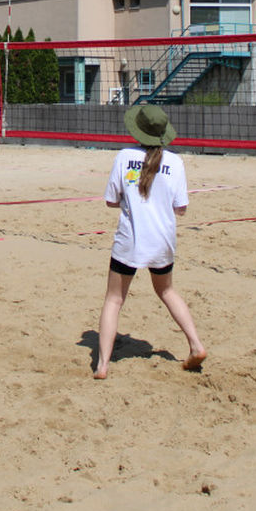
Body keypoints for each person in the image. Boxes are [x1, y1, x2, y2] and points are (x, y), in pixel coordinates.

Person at [94, 104, 206, 379]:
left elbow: (110, 201)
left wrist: (132, 200)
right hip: (162, 240)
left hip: (130, 240)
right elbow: (181, 208)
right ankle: (196, 344)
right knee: (167, 291)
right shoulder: (176, 162)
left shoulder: (124, 156)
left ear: (139, 130)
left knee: (114, 299)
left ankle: (102, 365)